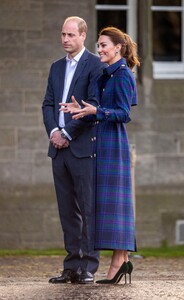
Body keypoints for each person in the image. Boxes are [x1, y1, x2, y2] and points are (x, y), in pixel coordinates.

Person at [60, 27, 140, 284]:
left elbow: (124, 114)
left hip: (113, 143)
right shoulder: (106, 74)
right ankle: (121, 261)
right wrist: (81, 109)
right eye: (99, 45)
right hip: (100, 142)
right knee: (110, 204)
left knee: (116, 203)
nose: (100, 49)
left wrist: (98, 111)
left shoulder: (124, 75)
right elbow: (96, 107)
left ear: (118, 47)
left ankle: (119, 263)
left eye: (104, 45)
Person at [42, 16, 104, 284]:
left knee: (88, 209)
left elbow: (92, 106)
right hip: (59, 150)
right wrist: (54, 132)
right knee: (67, 210)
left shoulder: (95, 65)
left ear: (82, 36)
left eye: (70, 35)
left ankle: (88, 266)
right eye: (63, 34)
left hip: (81, 148)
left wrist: (67, 132)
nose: (65, 39)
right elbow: (47, 104)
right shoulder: (56, 67)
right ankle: (71, 266)